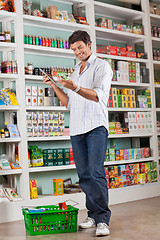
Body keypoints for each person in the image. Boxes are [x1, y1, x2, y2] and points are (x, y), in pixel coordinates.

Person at [43, 30, 113, 236]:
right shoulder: (74, 71)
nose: (78, 52)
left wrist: (76, 87)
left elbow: (98, 96)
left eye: (80, 47)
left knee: (96, 172)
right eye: (74, 49)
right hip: (77, 129)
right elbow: (69, 104)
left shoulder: (102, 66)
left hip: (95, 127)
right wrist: (55, 86)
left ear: (89, 44)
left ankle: (102, 220)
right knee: (84, 176)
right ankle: (92, 214)